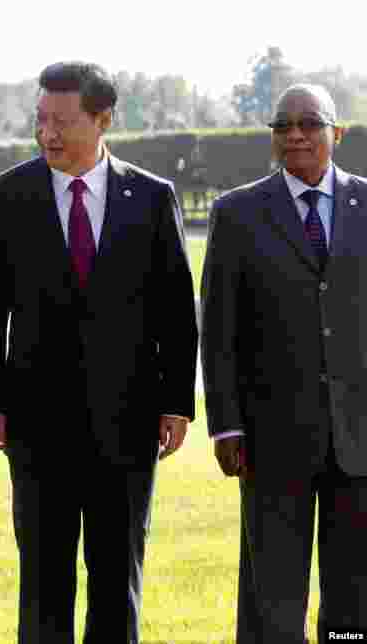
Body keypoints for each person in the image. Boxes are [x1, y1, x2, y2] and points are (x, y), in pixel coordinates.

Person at [0, 62, 197, 644]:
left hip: (129, 422)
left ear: (103, 119)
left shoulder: (152, 197)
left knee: (117, 577)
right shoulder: (5, 196)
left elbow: (175, 309)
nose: (48, 133)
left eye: (63, 122)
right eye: (41, 119)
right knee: (44, 581)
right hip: (36, 424)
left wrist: (176, 402)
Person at [201, 84, 367, 643]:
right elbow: (218, 329)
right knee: (271, 596)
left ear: (336, 133)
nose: (295, 134)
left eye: (310, 123)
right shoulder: (237, 213)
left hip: (359, 437)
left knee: (356, 596)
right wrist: (226, 424)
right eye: (282, 125)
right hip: (270, 439)